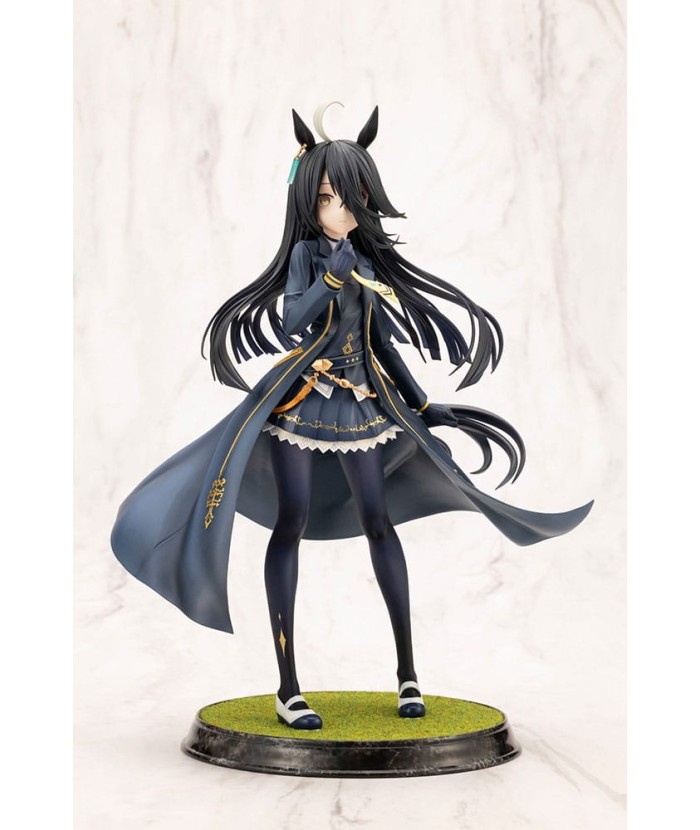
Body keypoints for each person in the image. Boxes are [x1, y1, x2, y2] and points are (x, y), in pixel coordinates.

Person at [111, 106, 593, 731]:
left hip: (364, 406)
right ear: (308, 201)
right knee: (290, 522)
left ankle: (408, 674)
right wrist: (329, 281)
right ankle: (288, 688)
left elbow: (380, 341)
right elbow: (291, 320)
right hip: (302, 405)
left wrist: (424, 404)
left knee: (379, 522)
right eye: (327, 197)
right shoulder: (307, 256)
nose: (340, 209)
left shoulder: (363, 262)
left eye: (350, 196)